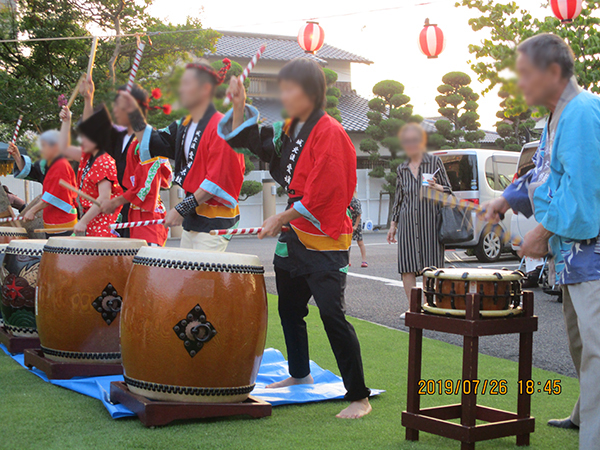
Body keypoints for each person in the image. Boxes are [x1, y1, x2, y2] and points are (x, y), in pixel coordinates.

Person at [220, 58, 371, 419]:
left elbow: (325, 193)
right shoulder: (292, 128)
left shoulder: (331, 132)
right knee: (289, 308)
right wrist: (239, 106)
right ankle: (300, 374)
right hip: (294, 232)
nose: (284, 95)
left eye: (290, 89)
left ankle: (359, 396)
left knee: (332, 315)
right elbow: (256, 142)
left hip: (325, 236)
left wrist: (282, 217)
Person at [482, 34, 600, 449]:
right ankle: (584, 411)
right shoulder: (554, 119)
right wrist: (503, 199)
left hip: (594, 254)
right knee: (581, 342)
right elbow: (541, 175)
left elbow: (583, 196)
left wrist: (541, 233)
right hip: (574, 258)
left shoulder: (582, 113)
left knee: (597, 351)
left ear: (553, 73)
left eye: (526, 75)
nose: (521, 84)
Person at [114, 59, 245, 251]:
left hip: (215, 220)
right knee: (185, 275)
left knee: (200, 277)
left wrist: (181, 209)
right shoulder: (184, 124)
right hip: (193, 217)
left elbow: (216, 181)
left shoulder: (221, 126)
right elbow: (154, 141)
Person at [96, 84, 173, 246]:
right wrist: (88, 97)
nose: (115, 109)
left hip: (147, 215)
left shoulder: (149, 142)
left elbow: (144, 188)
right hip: (130, 212)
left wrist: (114, 202)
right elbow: (92, 131)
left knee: (147, 268)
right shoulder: (123, 140)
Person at [387, 123, 452, 301]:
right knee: (407, 265)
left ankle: (429, 305)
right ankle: (413, 308)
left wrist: (437, 186)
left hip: (430, 221)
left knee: (430, 266)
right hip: (407, 222)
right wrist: (393, 224)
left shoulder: (434, 162)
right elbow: (399, 198)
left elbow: (449, 190)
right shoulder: (402, 168)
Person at [59, 105, 123, 237]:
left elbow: (103, 198)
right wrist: (66, 122)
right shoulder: (87, 156)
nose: (81, 140)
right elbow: (64, 149)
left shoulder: (104, 160)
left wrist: (83, 221)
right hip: (93, 220)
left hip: (104, 223)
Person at [8, 130, 78, 237]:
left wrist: (32, 210)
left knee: (62, 253)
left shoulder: (60, 165)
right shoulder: (48, 163)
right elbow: (32, 172)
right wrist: (17, 156)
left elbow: (52, 196)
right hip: (52, 221)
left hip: (63, 220)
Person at [349, 192, 367, 267]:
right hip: (348, 223)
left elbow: (359, 214)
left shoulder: (355, 201)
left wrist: (355, 226)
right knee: (347, 244)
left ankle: (364, 261)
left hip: (356, 222)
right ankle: (347, 261)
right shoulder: (344, 201)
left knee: (360, 242)